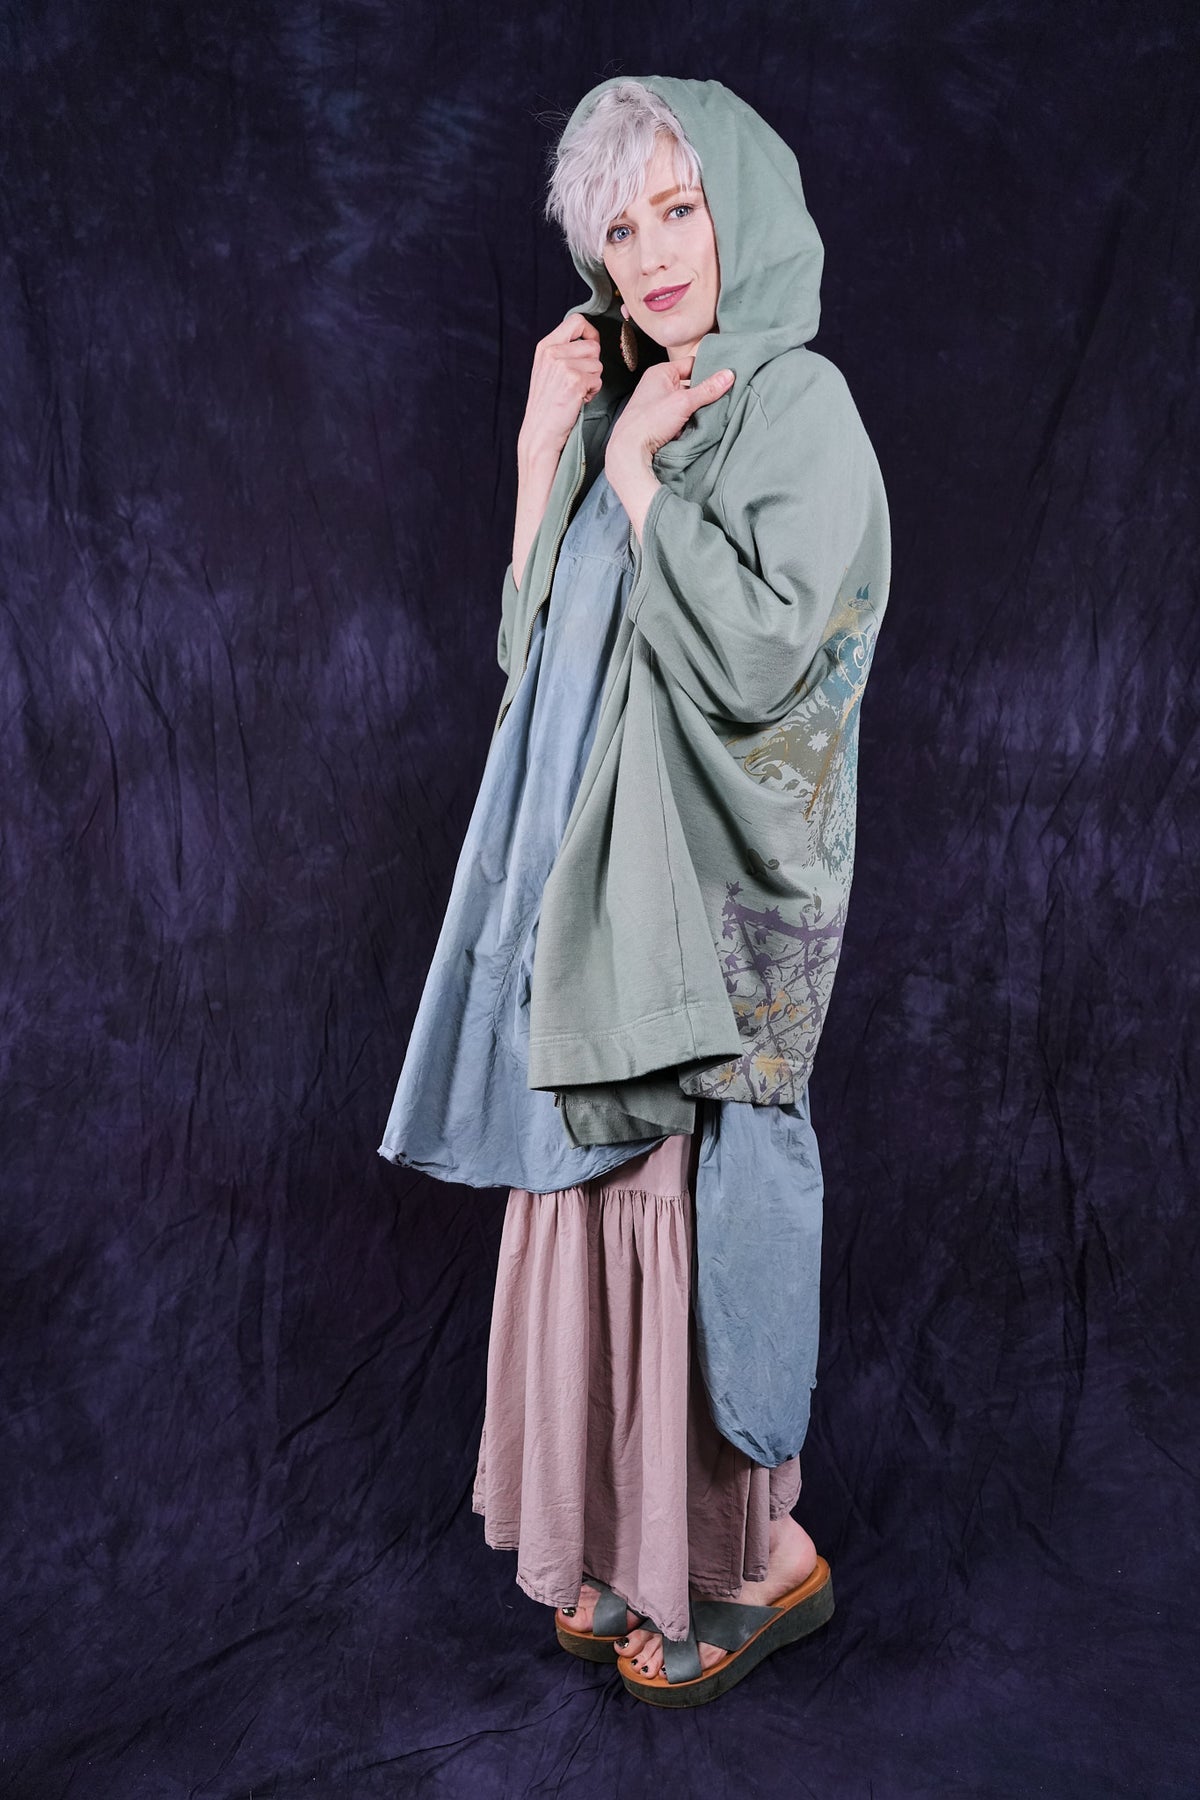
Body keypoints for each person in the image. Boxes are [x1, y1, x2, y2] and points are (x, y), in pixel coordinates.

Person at [379, 74, 891, 1706]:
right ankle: (628, 1547)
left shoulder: (796, 407)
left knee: (689, 1212)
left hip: (705, 918)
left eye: (680, 208)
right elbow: (538, 667)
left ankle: (751, 1564)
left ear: (739, 210)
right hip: (590, 907)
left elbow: (760, 658)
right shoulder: (630, 407)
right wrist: (553, 452)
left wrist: (650, 484)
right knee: (592, 1206)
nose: (653, 253)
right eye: (620, 226)